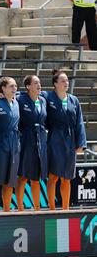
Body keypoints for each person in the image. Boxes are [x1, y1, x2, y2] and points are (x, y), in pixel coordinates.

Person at [44, 70, 86, 210]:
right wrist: (4, 95)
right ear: (55, 84)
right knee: (53, 176)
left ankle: (65, 209)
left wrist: (81, 143)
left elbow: (79, 122)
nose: (66, 83)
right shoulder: (48, 96)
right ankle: (51, 209)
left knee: (66, 178)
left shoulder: (74, 100)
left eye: (67, 80)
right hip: (54, 138)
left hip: (70, 140)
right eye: (63, 81)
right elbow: (29, 95)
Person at [16, 75, 48, 212]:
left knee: (36, 177)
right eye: (36, 83)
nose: (39, 85)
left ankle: (37, 208)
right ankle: (20, 208)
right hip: (26, 139)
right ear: (28, 86)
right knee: (23, 176)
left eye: (39, 83)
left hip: (40, 139)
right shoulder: (20, 98)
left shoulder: (42, 100)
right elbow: (12, 95)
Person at [0, 77, 20, 212]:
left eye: (16, 86)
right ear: (3, 88)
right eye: (11, 86)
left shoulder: (16, 102)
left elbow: (34, 93)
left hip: (14, 143)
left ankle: (7, 209)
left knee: (10, 180)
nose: (15, 89)